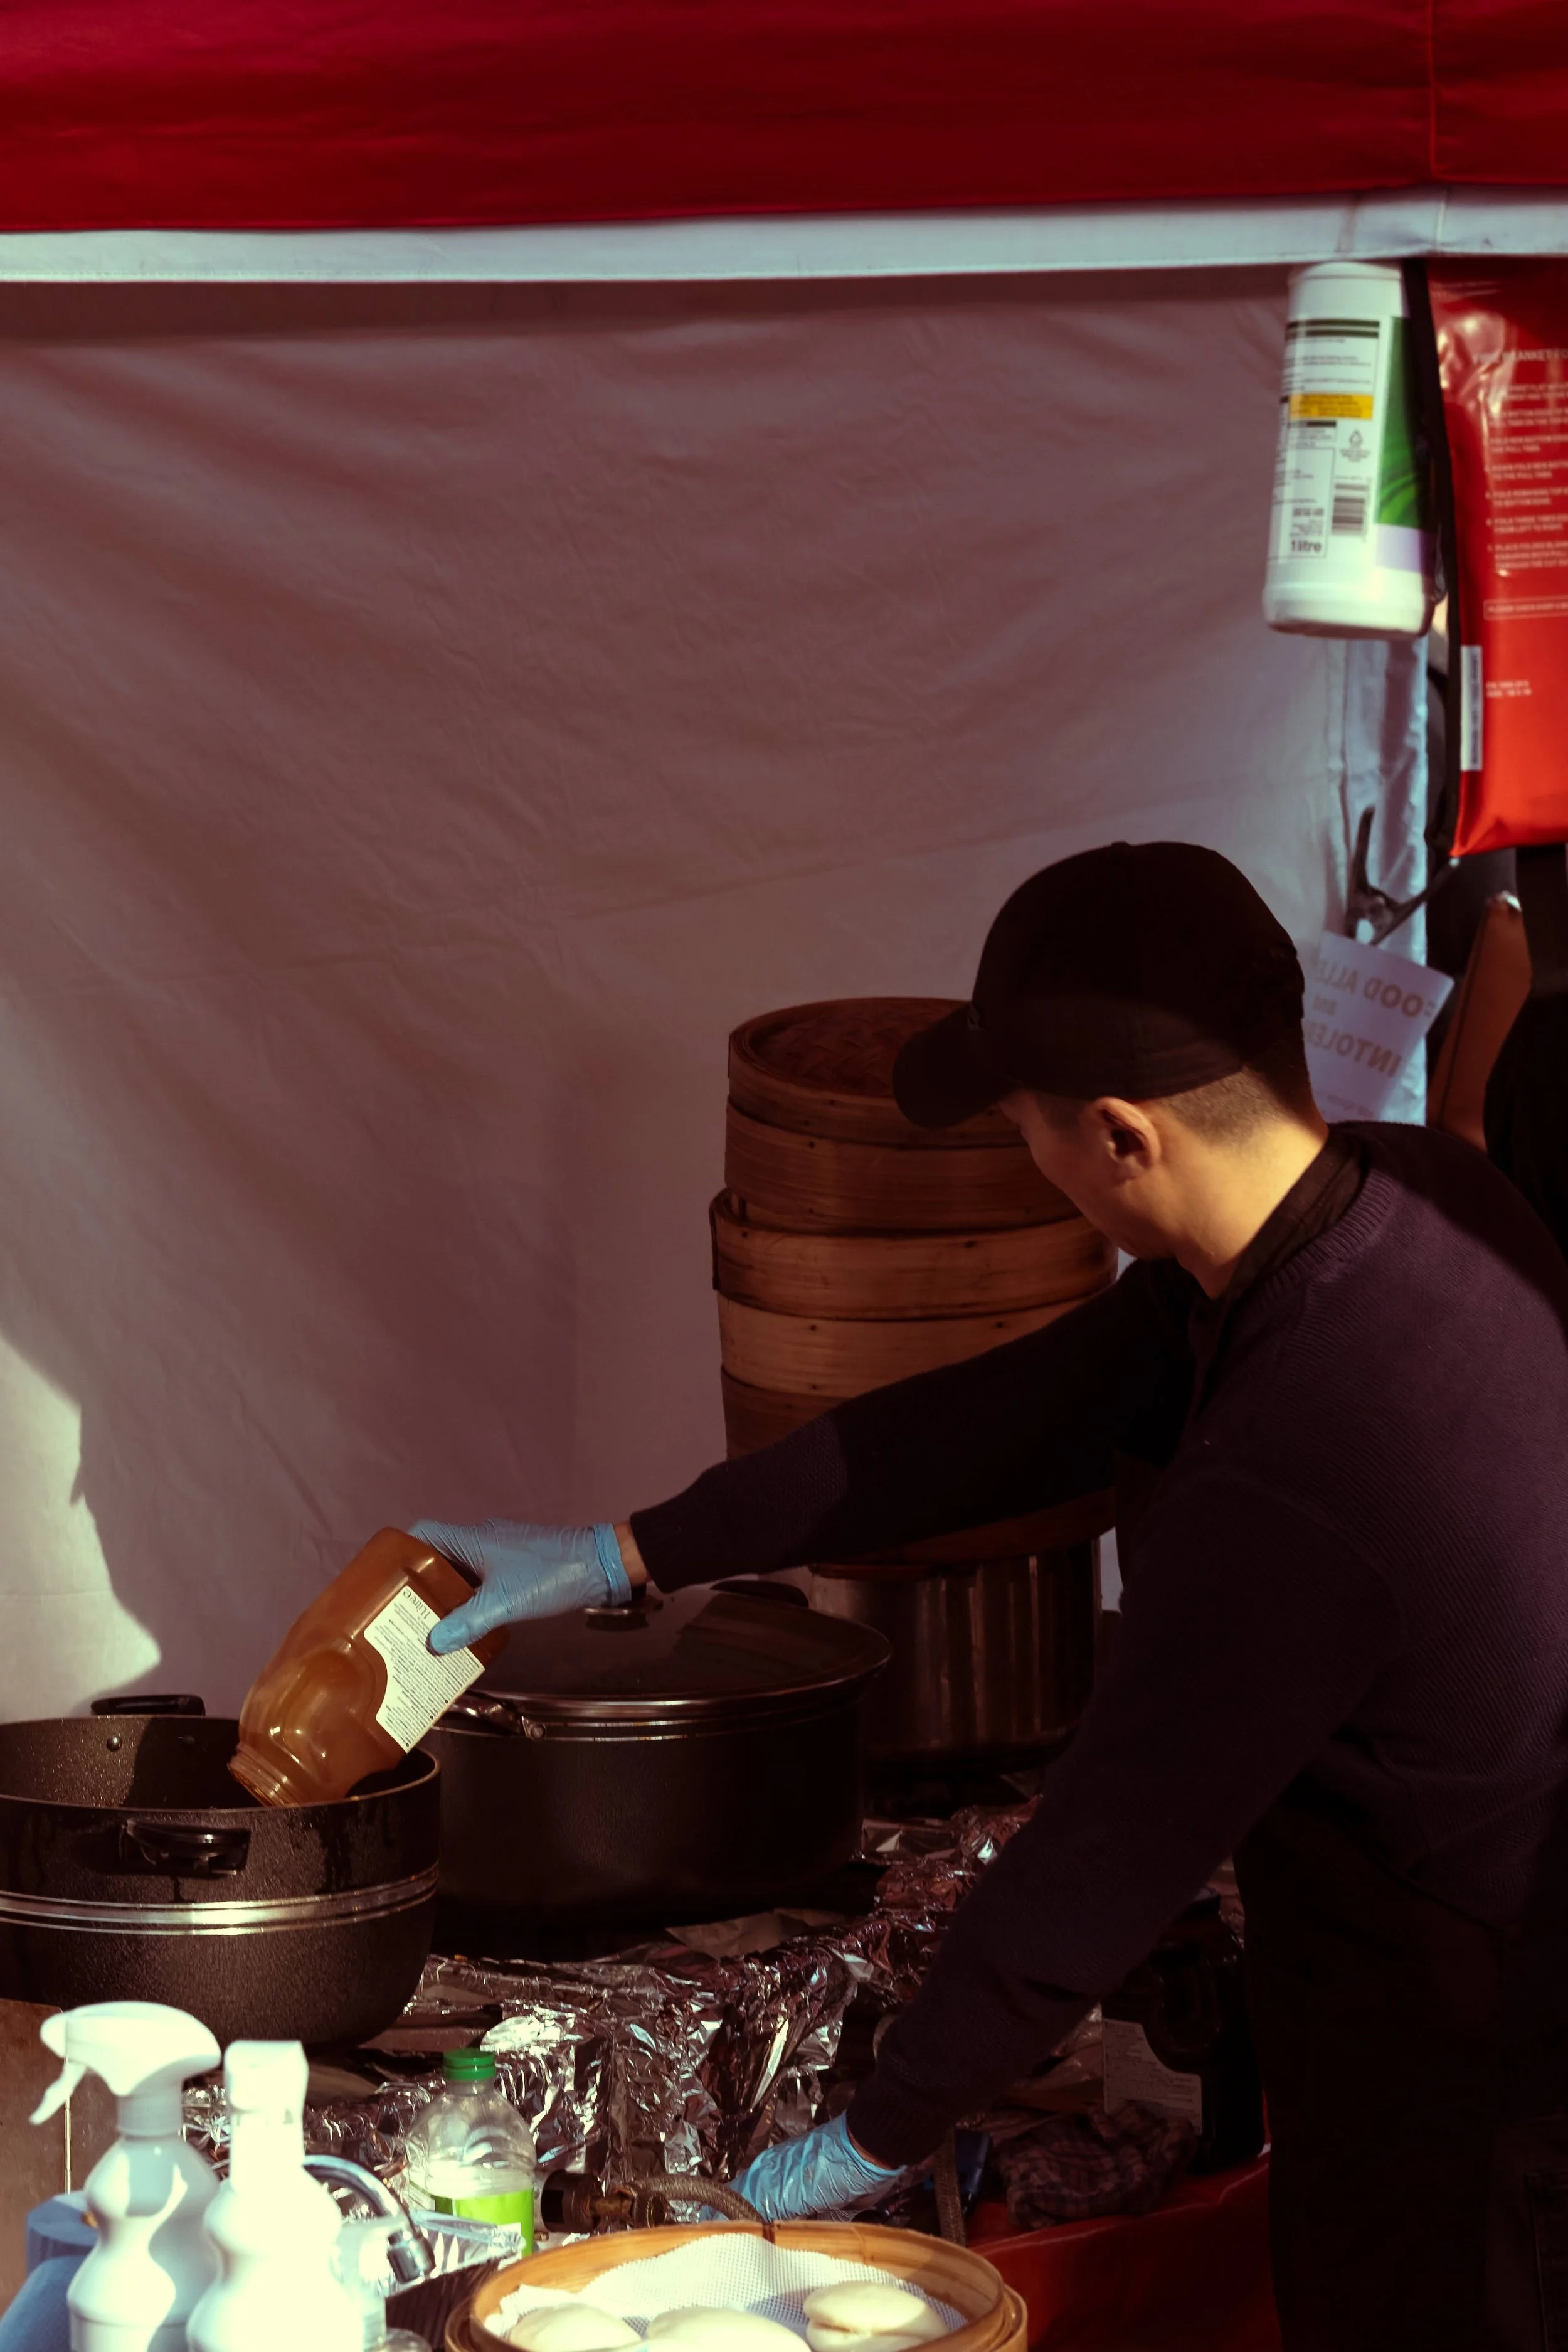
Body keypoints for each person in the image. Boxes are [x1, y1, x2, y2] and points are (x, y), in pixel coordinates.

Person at [415, 841, 1568, 2351]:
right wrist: (630, 1548)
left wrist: (877, 2131)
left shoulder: (1301, 1450)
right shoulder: (1400, 1196)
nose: (1027, 1156)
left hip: (1461, 2066)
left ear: (1115, 1136)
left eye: (1022, 1123)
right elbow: (979, 1422)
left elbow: (1103, 1849)